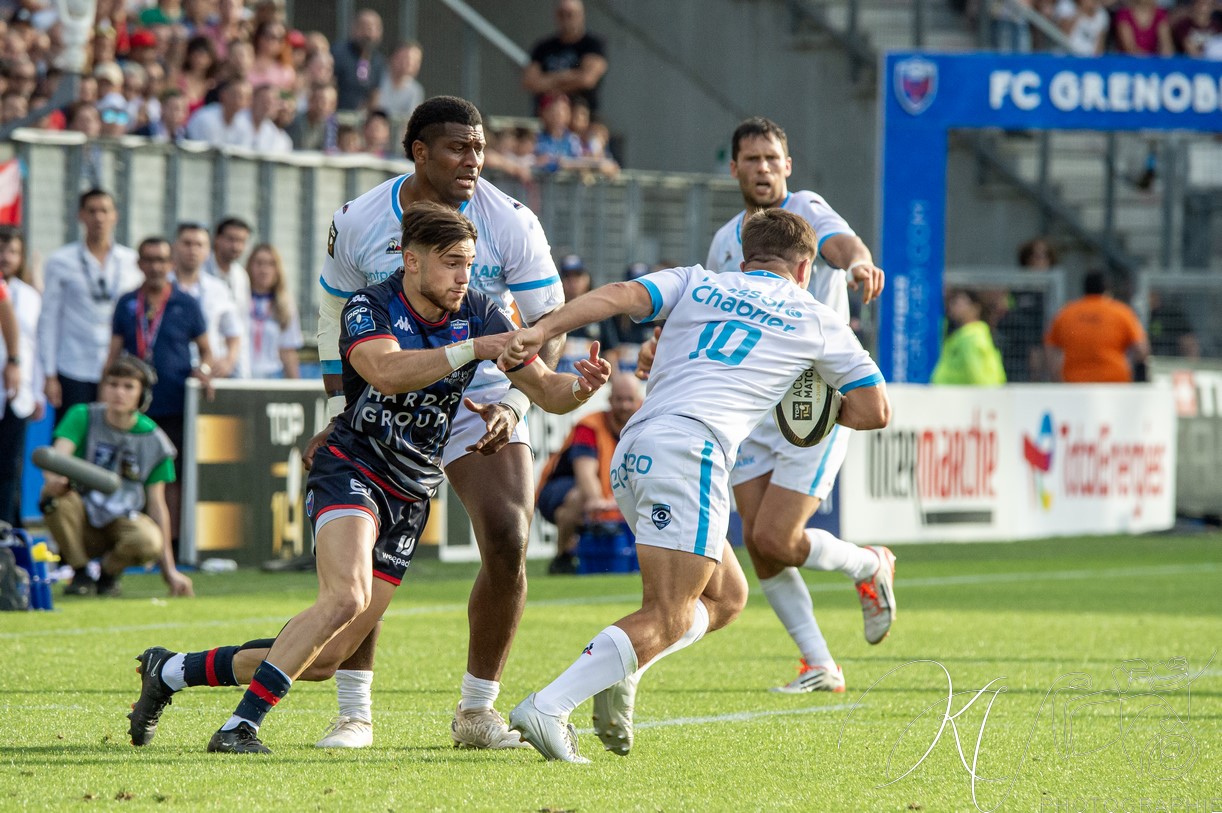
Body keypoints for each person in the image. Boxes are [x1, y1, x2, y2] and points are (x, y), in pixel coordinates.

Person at [124, 202, 609, 754]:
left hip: (412, 492)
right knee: (345, 597)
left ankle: (170, 671)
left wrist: (581, 386)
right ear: (412, 261)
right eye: (452, 263)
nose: (464, 277)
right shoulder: (369, 306)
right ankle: (240, 727)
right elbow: (385, 371)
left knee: (325, 658)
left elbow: (547, 390)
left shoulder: (479, 310)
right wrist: (474, 348)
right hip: (352, 468)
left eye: (470, 265)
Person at [503, 209, 891, 762]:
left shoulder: (697, 281)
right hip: (692, 453)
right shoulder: (818, 318)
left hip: (636, 448)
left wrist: (541, 330)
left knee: (727, 598)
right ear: (805, 268)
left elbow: (617, 295)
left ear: (745, 256)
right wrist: (812, 407)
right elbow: (875, 410)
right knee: (668, 614)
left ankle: (623, 663)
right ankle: (548, 705)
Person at [305, 96, 567, 751]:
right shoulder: (359, 220)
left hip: (481, 396)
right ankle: (354, 712)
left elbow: (548, 325)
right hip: (388, 398)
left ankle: (477, 710)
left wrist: (517, 404)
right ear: (419, 152)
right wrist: (337, 412)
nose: (473, 161)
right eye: (458, 148)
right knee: (365, 556)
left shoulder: (512, 220)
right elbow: (331, 317)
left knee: (508, 535)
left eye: (479, 148)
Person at [690, 117, 894, 694]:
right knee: (759, 543)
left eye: (771, 158)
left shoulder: (804, 209)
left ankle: (870, 565)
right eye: (751, 159)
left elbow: (842, 245)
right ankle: (819, 664)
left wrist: (858, 264)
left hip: (812, 399)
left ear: (788, 165)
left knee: (778, 538)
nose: (762, 168)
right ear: (734, 168)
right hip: (755, 405)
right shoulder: (727, 239)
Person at [43, 355, 192, 598]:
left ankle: (108, 573)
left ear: (143, 395)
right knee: (53, 498)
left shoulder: (155, 440)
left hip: (123, 521)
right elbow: (57, 459)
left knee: (149, 539)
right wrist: (54, 479)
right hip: (81, 516)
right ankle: (80, 572)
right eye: (112, 384)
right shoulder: (83, 415)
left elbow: (157, 506)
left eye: (128, 386)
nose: (119, 393)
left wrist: (170, 570)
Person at [106, 237, 214, 556]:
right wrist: (105, 397)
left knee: (171, 474)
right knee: (129, 470)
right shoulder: (127, 302)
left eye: (161, 260)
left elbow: (207, 351)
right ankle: (132, 540)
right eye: (149, 260)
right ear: (139, 264)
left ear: (171, 264)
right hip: (134, 406)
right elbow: (113, 355)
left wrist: (204, 370)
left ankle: (172, 544)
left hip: (175, 401)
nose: (155, 267)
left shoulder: (186, 303)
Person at [38, 189, 142, 416]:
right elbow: (49, 319)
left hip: (120, 367)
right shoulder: (60, 261)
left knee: (115, 430)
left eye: (104, 211)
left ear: (115, 215)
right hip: (74, 365)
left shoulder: (131, 261)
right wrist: (49, 374)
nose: (99, 218)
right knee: (75, 430)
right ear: (81, 215)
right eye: (92, 211)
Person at [536, 373, 643, 575]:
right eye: (619, 399)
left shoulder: (645, 426)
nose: (624, 405)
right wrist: (597, 502)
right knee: (580, 497)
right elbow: (585, 472)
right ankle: (563, 557)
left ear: (639, 401)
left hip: (608, 489)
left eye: (629, 399)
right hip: (561, 486)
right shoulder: (590, 426)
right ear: (610, 400)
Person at [0, 227, 42, 527]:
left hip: (18, 390)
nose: (5, 257)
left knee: (10, 465)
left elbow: (35, 345)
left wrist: (37, 390)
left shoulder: (29, 296)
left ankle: (7, 530)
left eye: (13, 251)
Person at [1045, 270, 1150, 383]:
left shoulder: (1066, 313)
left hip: (1074, 382)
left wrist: (1057, 378)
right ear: (1107, 289)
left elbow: (1050, 349)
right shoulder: (1121, 312)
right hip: (1114, 381)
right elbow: (1141, 350)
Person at [172, 223, 242, 379]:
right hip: (171, 371)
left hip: (207, 374)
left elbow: (234, 331)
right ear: (175, 246)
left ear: (208, 250)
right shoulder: (163, 286)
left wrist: (228, 361)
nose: (193, 250)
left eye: (199, 245)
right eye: (187, 243)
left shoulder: (218, 289)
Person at [522, 0, 608, 117]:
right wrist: (570, 77)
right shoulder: (542, 47)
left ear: (581, 15)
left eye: (570, 14)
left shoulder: (593, 45)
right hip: (546, 119)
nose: (566, 19)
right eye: (561, 14)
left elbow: (587, 79)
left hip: (581, 118)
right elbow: (529, 82)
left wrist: (548, 82)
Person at [245, 243, 302, 378]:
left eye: (270, 264)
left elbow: (288, 351)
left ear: (277, 269)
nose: (264, 269)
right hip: (242, 376)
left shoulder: (285, 305)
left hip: (272, 377)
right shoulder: (239, 300)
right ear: (250, 266)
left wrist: (296, 385)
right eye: (259, 263)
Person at [556, 254, 618, 374]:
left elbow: (609, 351)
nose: (573, 282)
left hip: (591, 380)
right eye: (567, 277)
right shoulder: (552, 312)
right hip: (558, 379)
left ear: (587, 278)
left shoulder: (600, 313)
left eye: (577, 275)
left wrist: (615, 377)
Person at [931, 289, 1007, 385]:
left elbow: (978, 376)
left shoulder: (970, 337)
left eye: (960, 303)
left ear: (975, 308)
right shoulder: (968, 334)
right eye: (954, 303)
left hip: (961, 393)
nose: (954, 307)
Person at [331, 9, 385, 111]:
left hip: (361, 117)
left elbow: (375, 94)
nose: (369, 33)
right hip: (337, 114)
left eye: (374, 28)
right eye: (364, 27)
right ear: (354, 28)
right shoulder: (338, 53)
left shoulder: (378, 61)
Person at [185, 78, 254, 147]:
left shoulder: (245, 123)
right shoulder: (206, 118)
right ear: (224, 95)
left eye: (247, 97)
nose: (242, 101)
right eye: (238, 95)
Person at [374, 41, 424, 120]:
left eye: (416, 61)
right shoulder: (376, 78)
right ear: (391, 57)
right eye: (404, 58)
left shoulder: (415, 90)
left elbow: (411, 120)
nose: (409, 63)